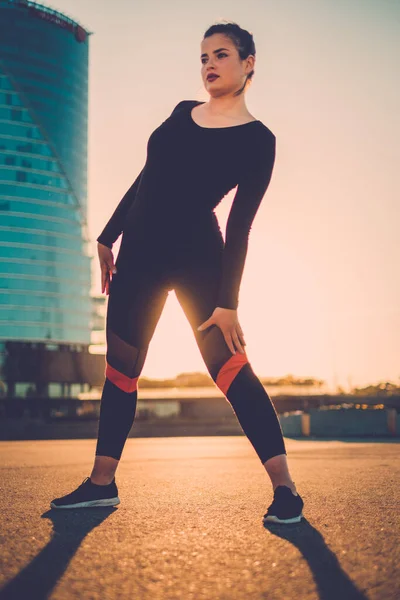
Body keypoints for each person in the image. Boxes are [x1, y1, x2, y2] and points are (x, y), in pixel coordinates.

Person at [50, 22, 304, 524]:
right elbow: (148, 177)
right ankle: (101, 484)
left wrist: (228, 302)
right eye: (204, 56)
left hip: (199, 259)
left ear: (249, 63)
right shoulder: (180, 113)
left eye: (222, 55)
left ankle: (286, 490)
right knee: (120, 373)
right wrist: (107, 236)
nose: (210, 64)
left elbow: (240, 226)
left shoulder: (258, 140)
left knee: (231, 369)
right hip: (140, 257)